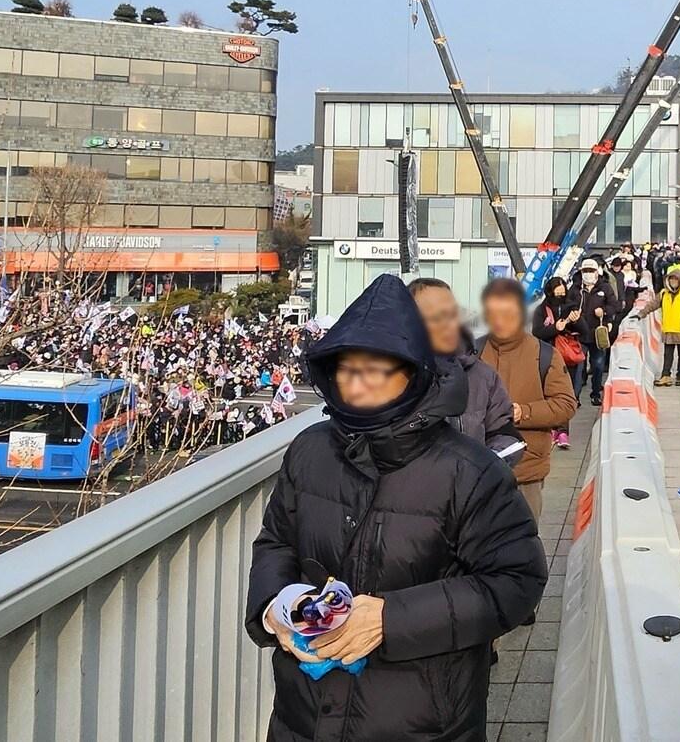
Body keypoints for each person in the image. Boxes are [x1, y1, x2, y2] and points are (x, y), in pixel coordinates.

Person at [245, 274, 547, 742]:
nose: (356, 384)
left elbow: (515, 582)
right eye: (346, 369)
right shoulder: (310, 450)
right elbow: (276, 541)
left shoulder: (468, 469)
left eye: (375, 370)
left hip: (425, 721)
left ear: (413, 373)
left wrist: (389, 618)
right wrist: (276, 607)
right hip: (303, 714)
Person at [478, 277, 578, 517]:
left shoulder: (544, 355)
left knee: (522, 545)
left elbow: (566, 405)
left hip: (525, 470)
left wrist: (523, 412)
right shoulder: (472, 351)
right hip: (477, 470)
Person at [409, 276, 526, 467]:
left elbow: (505, 435)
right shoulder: (388, 375)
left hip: (468, 492)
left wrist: (483, 468)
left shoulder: (483, 377)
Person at [533, 275, 582, 450]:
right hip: (548, 356)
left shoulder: (571, 307)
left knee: (567, 393)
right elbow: (537, 332)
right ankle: (552, 428)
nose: (560, 294)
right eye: (557, 291)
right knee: (548, 394)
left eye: (563, 291)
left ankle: (562, 431)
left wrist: (575, 321)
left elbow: (584, 331)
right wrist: (555, 328)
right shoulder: (541, 310)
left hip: (568, 357)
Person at [636, 268, 680, 386]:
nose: (673, 282)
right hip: (668, 329)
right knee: (668, 354)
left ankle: (679, 376)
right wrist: (642, 313)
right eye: (671, 279)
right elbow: (653, 305)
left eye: (676, 280)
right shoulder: (664, 293)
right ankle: (666, 375)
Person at [572, 257, 620, 407]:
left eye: (591, 271)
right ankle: (576, 396)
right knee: (579, 365)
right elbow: (568, 305)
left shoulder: (605, 288)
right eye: (585, 271)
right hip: (579, 332)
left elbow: (615, 306)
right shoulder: (575, 289)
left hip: (598, 332)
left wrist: (604, 312)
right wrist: (573, 313)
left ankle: (595, 393)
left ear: (596, 272)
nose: (588, 274)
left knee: (598, 365)